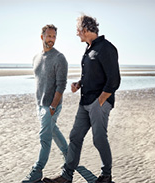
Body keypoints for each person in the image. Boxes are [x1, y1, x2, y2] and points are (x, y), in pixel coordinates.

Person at [43, 15, 121, 183]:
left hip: (99, 102)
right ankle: (67, 175)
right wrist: (79, 84)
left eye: (78, 30)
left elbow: (114, 80)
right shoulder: (89, 48)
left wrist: (100, 101)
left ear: (85, 30)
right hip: (85, 101)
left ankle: (106, 175)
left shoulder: (106, 48)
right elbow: (93, 75)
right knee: (75, 136)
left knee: (99, 139)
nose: (76, 33)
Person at [22, 24, 68, 183]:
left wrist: (53, 107)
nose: (52, 39)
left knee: (44, 137)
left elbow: (61, 85)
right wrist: (40, 105)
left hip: (51, 105)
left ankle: (37, 171)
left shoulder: (59, 58)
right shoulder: (35, 58)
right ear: (42, 37)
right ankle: (70, 156)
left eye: (54, 36)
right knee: (52, 131)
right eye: (49, 36)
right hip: (39, 104)